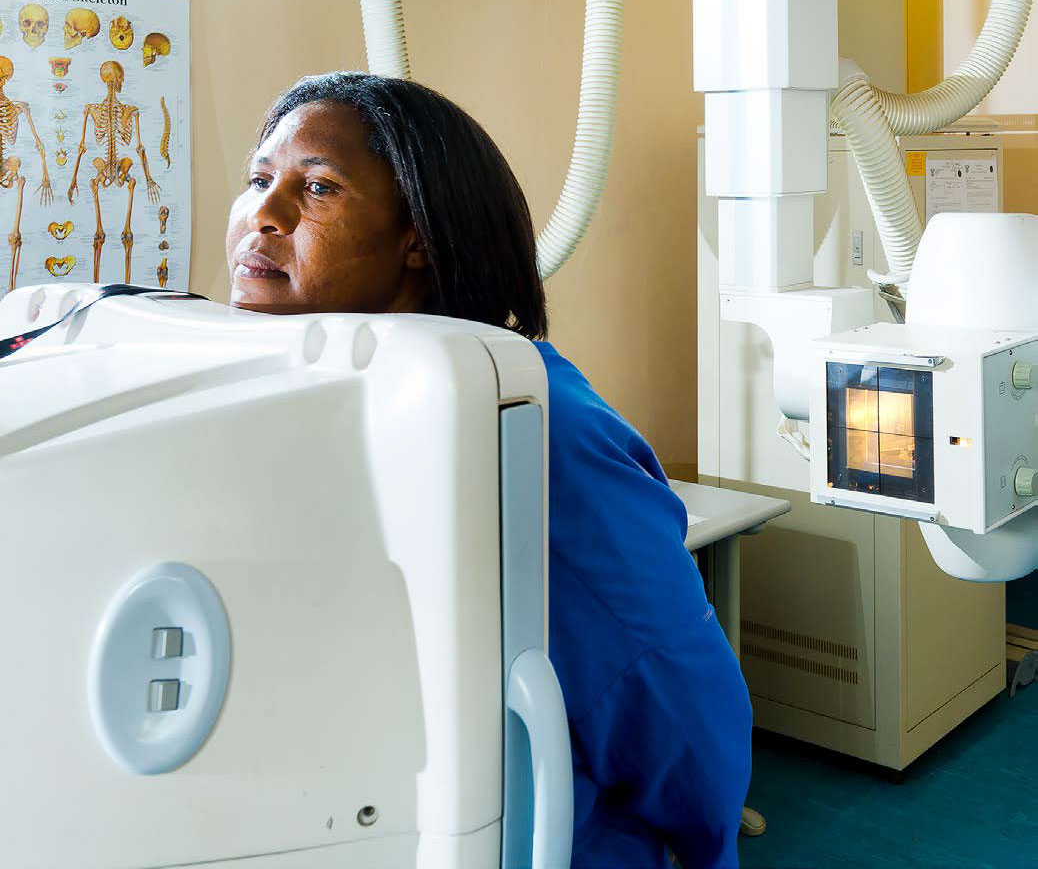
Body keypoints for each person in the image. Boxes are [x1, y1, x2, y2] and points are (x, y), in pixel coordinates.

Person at [225, 71, 752, 869]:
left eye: (319, 188)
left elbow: (677, 708)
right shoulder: (303, 396)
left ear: (419, 240)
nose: (264, 212)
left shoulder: (539, 428)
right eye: (260, 180)